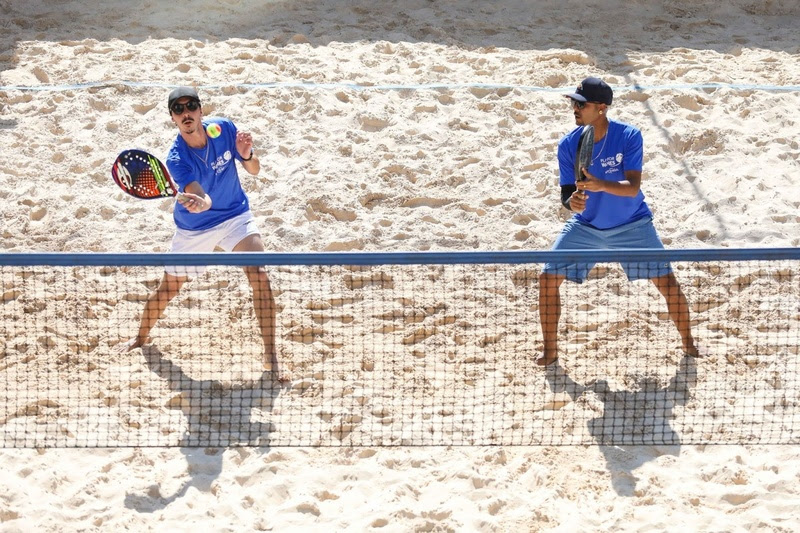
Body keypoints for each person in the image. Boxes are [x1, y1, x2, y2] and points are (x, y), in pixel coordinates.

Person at [118, 86, 285, 382]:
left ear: (201, 111)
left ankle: (271, 355)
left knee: (258, 274)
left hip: (235, 215)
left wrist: (246, 156)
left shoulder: (224, 129)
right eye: (178, 109)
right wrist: (201, 203)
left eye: (191, 106)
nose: (186, 113)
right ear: (173, 118)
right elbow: (200, 195)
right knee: (169, 288)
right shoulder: (176, 158)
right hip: (196, 227)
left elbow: (255, 170)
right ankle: (141, 337)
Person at [537, 77, 701, 366]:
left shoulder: (629, 136)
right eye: (573, 103)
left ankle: (689, 344)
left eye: (580, 104)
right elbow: (566, 193)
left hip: (633, 224)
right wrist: (571, 203)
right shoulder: (568, 145)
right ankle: (550, 352)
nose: (574, 108)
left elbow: (633, 188)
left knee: (668, 285)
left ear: (601, 108)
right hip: (586, 227)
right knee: (547, 280)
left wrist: (600, 185)